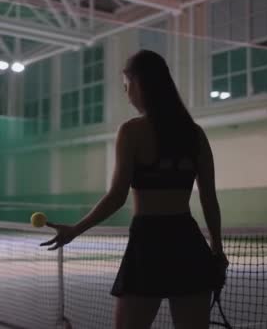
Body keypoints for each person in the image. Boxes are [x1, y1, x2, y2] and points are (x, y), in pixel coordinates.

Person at [41, 50, 228, 329]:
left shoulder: (131, 132)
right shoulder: (195, 133)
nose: (126, 93)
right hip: (188, 244)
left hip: (148, 245)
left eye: (126, 86)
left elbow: (117, 197)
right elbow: (209, 198)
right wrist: (217, 247)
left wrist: (75, 230)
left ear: (138, 84)